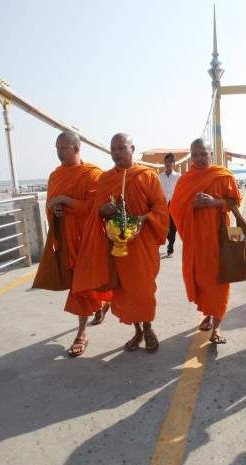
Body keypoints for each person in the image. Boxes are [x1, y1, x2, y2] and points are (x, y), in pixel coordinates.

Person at [73, 133, 169, 352]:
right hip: (118, 245)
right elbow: (98, 209)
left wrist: (140, 219)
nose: (116, 153)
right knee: (125, 291)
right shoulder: (106, 178)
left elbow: (160, 209)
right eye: (113, 149)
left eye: (120, 148)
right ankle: (136, 332)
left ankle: (148, 328)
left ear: (132, 148)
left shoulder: (148, 176)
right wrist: (103, 210)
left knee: (144, 290)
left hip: (142, 243)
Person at [33, 131, 109, 357]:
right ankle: (102, 305)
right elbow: (50, 205)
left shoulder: (93, 174)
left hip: (89, 239)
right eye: (57, 147)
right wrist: (55, 209)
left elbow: (95, 208)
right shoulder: (55, 176)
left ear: (76, 148)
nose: (59, 152)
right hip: (67, 239)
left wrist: (66, 201)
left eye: (63, 148)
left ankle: (82, 333)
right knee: (82, 283)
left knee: (81, 285)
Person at [169, 138, 243, 345]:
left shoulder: (223, 175)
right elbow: (174, 208)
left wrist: (214, 202)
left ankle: (217, 327)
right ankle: (208, 314)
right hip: (197, 240)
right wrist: (190, 205)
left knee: (220, 281)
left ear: (211, 154)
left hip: (220, 238)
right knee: (202, 280)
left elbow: (235, 202)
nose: (199, 158)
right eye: (195, 155)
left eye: (204, 154)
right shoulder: (186, 180)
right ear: (191, 156)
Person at [159, 152, 180, 258]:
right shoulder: (159, 177)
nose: (168, 164)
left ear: (174, 163)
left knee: (173, 228)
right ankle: (167, 239)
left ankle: (170, 247)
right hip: (162, 205)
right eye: (166, 162)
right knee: (163, 227)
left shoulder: (178, 177)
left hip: (174, 205)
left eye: (170, 162)